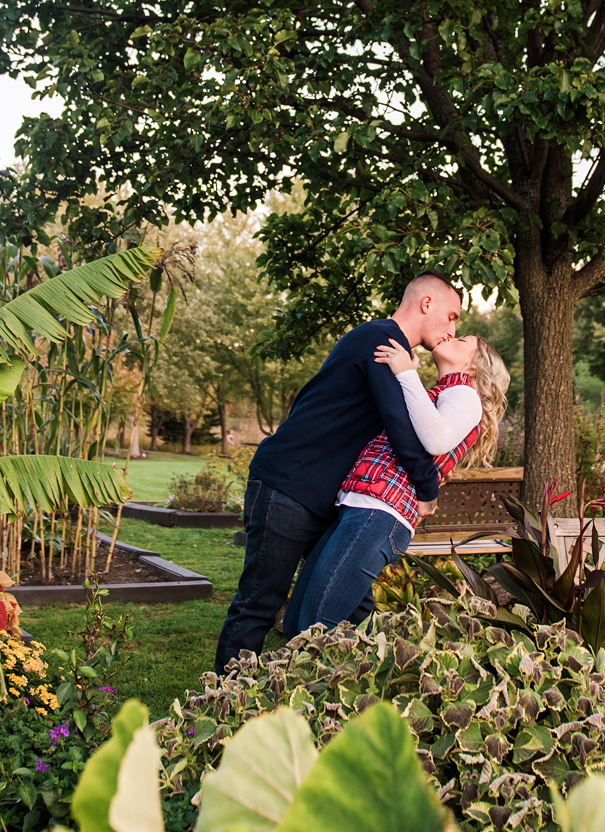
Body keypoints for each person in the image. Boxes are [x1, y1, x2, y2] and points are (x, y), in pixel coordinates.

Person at [211, 272, 462, 671]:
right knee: (260, 602)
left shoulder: (395, 354)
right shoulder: (381, 340)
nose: (452, 328)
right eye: (451, 317)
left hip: (324, 499)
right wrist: (427, 490)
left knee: (352, 598)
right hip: (288, 486)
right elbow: (400, 428)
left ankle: (352, 694)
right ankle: (221, 706)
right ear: (426, 304)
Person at [286, 333, 510, 633]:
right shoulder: (443, 393)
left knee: (315, 625)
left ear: (474, 364)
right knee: (302, 618)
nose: (451, 335)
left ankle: (309, 676)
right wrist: (407, 379)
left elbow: (436, 439)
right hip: (361, 506)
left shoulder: (465, 395)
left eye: (463, 339)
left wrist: (407, 374)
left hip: (379, 513)